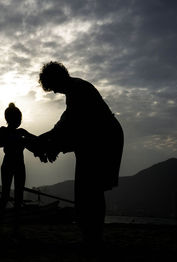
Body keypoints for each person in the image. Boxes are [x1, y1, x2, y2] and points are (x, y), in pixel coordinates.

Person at [36, 61, 124, 246]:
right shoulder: (75, 89)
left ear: (57, 79)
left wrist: (51, 145)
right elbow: (65, 125)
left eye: (52, 86)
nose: (52, 91)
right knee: (90, 190)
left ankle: (93, 237)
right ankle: (92, 235)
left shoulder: (78, 90)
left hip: (103, 139)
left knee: (91, 189)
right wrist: (47, 141)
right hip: (97, 139)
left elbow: (72, 127)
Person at [0, 103, 36, 227]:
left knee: (19, 195)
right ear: (11, 120)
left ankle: (15, 226)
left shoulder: (21, 132)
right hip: (9, 164)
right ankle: (0, 224)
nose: (19, 122)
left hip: (18, 165)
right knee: (6, 194)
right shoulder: (4, 130)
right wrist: (19, 140)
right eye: (18, 119)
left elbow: (35, 140)